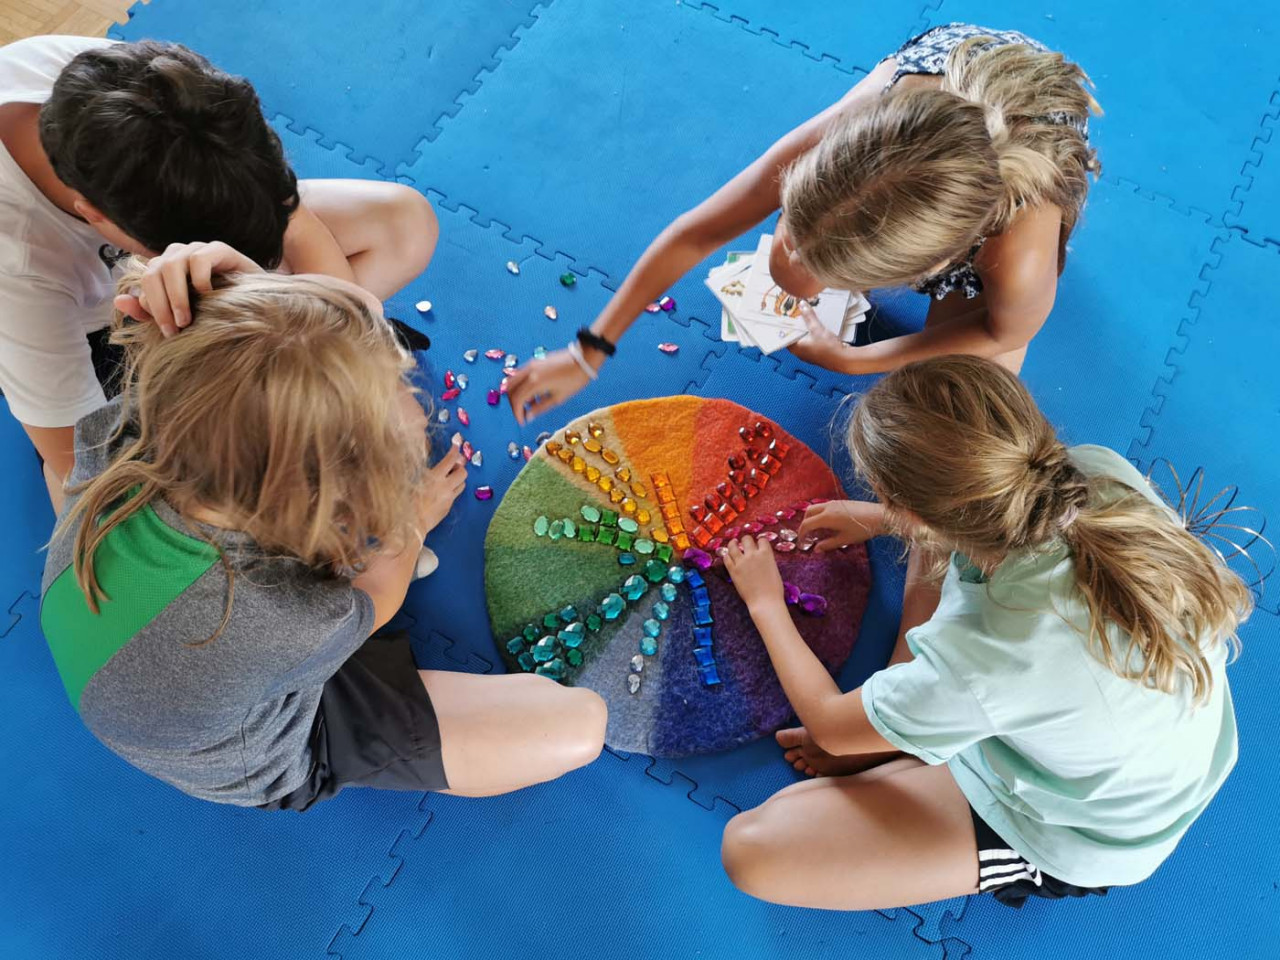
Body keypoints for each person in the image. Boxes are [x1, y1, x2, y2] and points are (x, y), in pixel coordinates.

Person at [40, 243, 606, 810]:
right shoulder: (280, 612)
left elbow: (324, 331)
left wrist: (256, 295)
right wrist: (412, 523)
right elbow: (377, 599)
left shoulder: (127, 424)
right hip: (252, 740)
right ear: (318, 503)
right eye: (396, 397)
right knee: (579, 723)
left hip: (153, 657)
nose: (415, 400)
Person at [718, 355, 1247, 909]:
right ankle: (910, 726)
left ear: (921, 512)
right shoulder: (1094, 468)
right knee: (919, 675)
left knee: (751, 849)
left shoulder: (992, 653)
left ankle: (920, 742)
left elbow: (828, 725)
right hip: (1137, 741)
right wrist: (884, 518)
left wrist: (765, 602)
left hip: (1089, 826)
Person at [507, 24, 1099, 424]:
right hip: (944, 70)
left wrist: (855, 360)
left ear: (930, 268)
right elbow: (697, 232)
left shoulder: (1015, 255)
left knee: (967, 402)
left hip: (1035, 131)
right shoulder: (845, 132)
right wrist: (590, 349)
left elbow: (1001, 331)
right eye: (789, 222)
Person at [0, 36, 437, 506]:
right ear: (93, 216)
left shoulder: (145, 84)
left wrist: (361, 365)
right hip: (91, 331)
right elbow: (79, 469)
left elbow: (290, 215)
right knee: (122, 490)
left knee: (404, 225)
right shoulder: (18, 274)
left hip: (160, 253)